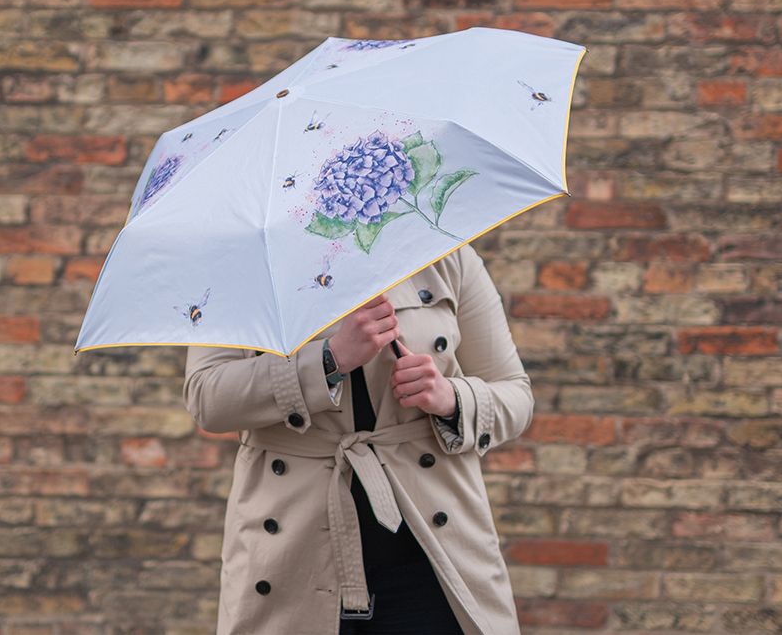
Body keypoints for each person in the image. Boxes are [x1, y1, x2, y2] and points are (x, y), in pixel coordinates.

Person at [183, 243, 534, 634]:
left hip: (434, 558)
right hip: (292, 559)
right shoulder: (241, 265)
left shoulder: (444, 255)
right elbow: (207, 396)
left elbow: (515, 394)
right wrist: (328, 360)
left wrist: (450, 397)